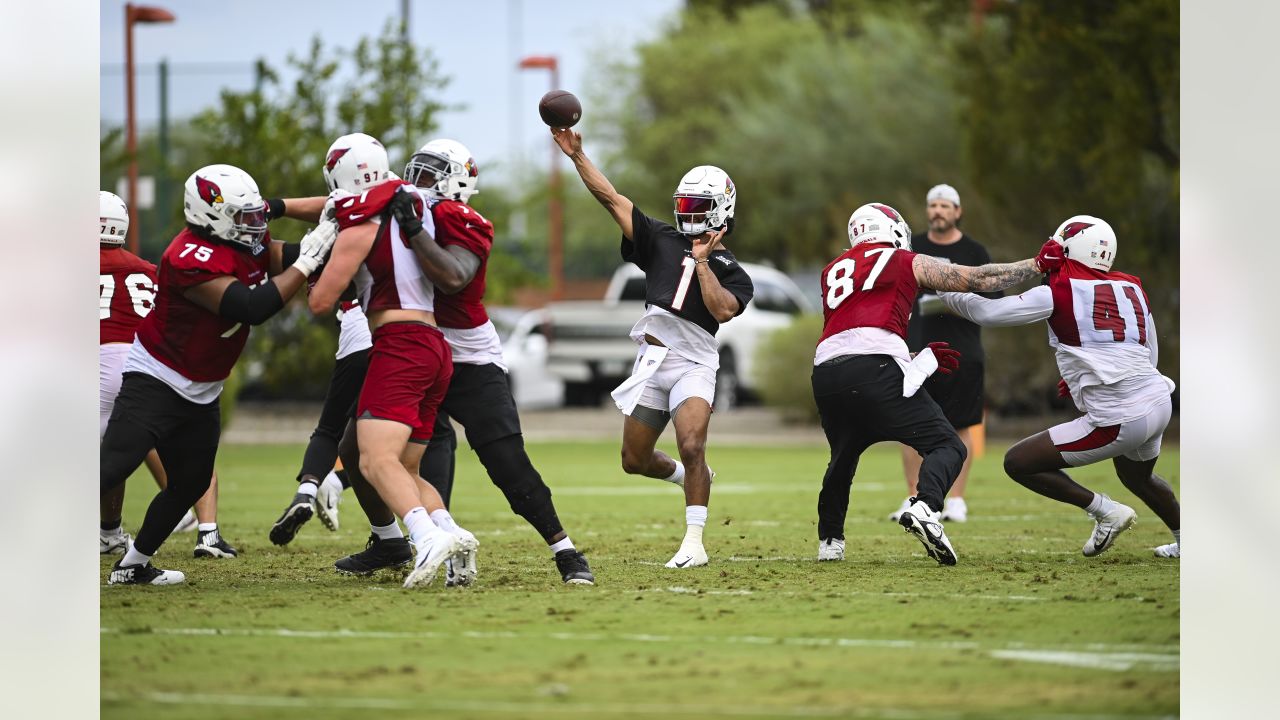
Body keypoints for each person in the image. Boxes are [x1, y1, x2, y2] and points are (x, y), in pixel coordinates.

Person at [329, 138, 594, 584]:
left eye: (429, 175)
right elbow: (336, 204)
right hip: (413, 349)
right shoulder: (398, 208)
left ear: (455, 182)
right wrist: (276, 209)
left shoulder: (457, 217)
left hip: (468, 357)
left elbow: (454, 278)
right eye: (414, 171)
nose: (417, 183)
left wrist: (413, 231)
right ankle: (406, 540)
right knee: (362, 450)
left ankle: (565, 551)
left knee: (505, 461)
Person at [100, 164, 337, 585]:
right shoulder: (187, 256)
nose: (255, 225)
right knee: (111, 467)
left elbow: (294, 254)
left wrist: (338, 232)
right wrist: (310, 261)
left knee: (189, 482)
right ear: (210, 214)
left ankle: (132, 564)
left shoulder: (246, 240)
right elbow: (251, 307)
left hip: (203, 388)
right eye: (244, 216)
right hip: (157, 377)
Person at [553, 127, 755, 569]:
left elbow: (721, 310)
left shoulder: (732, 270)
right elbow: (611, 198)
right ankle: (692, 479)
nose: (687, 214)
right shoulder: (660, 238)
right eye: (684, 205)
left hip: (694, 364)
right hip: (652, 360)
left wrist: (702, 261)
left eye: (698, 207)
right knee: (633, 460)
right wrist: (577, 156)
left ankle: (694, 541)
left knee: (692, 443)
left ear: (721, 210)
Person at [813, 202, 1058, 565]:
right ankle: (926, 506)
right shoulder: (902, 260)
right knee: (949, 445)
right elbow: (979, 279)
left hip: (826, 373)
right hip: (875, 367)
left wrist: (909, 358)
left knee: (843, 458)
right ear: (893, 230)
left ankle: (830, 541)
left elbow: (854, 330)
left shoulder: (832, 269)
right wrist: (1034, 265)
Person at [937, 216, 1179, 558]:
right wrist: (1086, 374)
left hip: (1120, 417)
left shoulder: (1059, 291)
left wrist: (944, 289)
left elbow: (989, 314)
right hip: (1158, 400)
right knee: (1139, 479)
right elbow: (1148, 353)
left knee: (1018, 462)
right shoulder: (1132, 287)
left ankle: (1106, 512)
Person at [307, 132, 475, 589]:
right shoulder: (411, 206)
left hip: (398, 342)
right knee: (407, 468)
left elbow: (320, 301)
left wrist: (312, 257)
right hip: (434, 344)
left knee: (373, 460)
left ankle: (424, 538)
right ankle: (452, 533)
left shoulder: (359, 225)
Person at [892, 184, 996, 524]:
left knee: (961, 424)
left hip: (962, 349)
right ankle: (912, 496)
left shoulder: (974, 251)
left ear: (957, 211)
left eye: (945, 205)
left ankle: (956, 500)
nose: (938, 211)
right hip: (916, 348)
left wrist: (957, 298)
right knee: (909, 427)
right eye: (933, 205)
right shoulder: (912, 248)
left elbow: (993, 297)